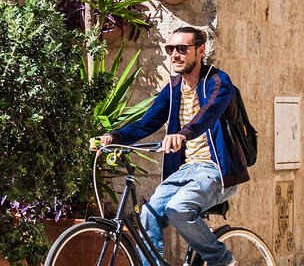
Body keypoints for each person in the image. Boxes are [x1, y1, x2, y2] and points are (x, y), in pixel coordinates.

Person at [94, 26, 250, 266]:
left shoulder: (219, 82)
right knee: (148, 213)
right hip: (188, 170)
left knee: (178, 208)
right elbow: (146, 124)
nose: (174, 54)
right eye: (170, 49)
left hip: (217, 170)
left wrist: (182, 134)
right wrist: (113, 138)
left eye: (181, 49)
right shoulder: (174, 88)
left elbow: (207, 115)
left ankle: (223, 260)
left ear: (200, 51)